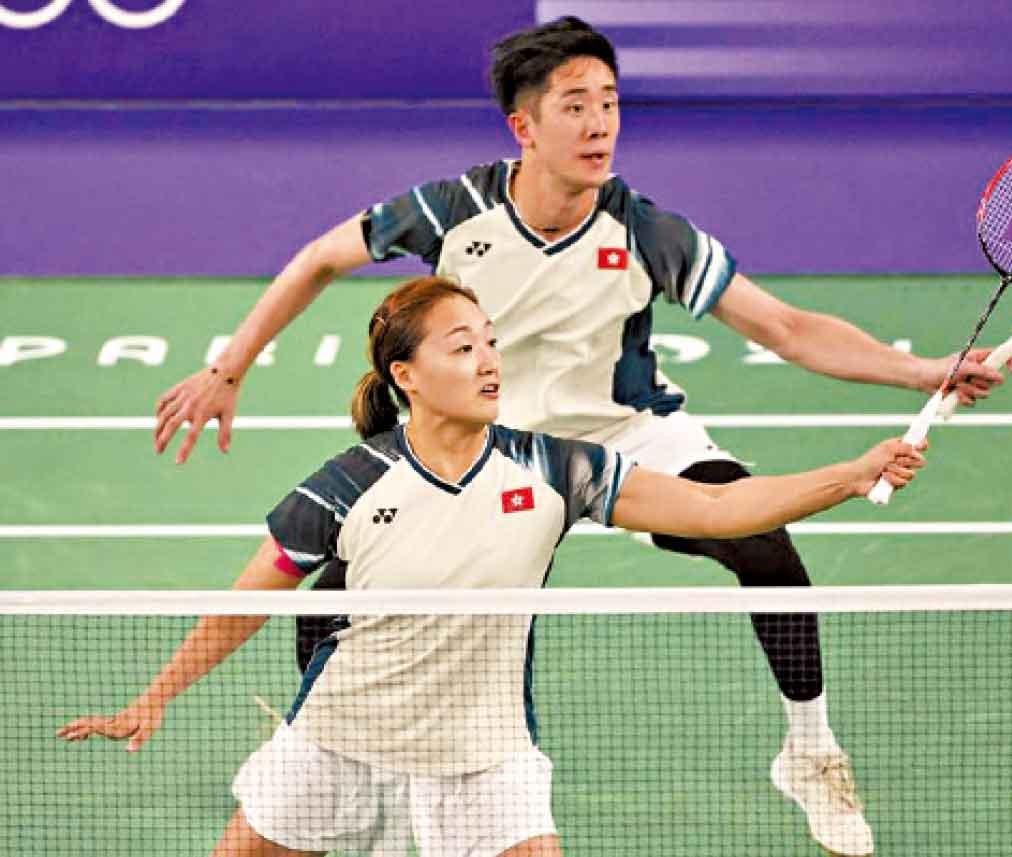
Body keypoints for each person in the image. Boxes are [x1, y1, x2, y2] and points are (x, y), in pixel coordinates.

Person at [151, 17, 1011, 855]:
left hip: (626, 431)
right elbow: (318, 258)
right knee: (336, 595)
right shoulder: (454, 210)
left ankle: (811, 750)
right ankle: (331, 756)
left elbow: (784, 327)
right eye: (575, 105)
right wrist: (228, 369)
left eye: (609, 102)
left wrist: (925, 371)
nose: (600, 123)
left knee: (763, 545)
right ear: (523, 127)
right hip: (495, 443)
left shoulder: (645, 230)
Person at [63, 277, 926, 857]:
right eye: (461, 347)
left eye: (490, 342)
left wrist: (849, 475)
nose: (487, 361)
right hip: (337, 738)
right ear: (405, 374)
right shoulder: (346, 483)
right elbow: (248, 603)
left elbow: (713, 509)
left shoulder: (555, 467)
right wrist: (155, 695)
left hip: (485, 751)